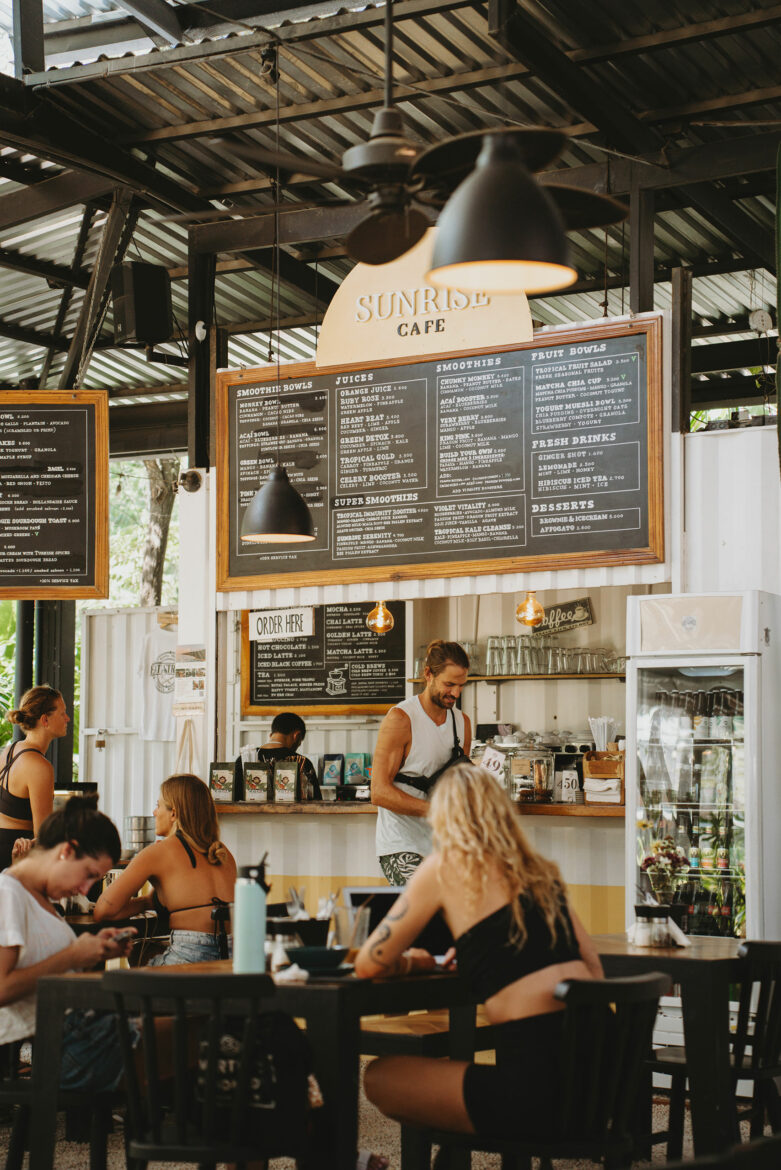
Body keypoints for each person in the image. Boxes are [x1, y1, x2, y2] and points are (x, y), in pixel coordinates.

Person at [355, 762, 604, 1140]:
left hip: (537, 1095)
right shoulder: (541, 872)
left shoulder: (443, 866)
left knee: (379, 1076)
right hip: (600, 1082)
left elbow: (367, 963)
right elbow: (594, 971)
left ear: (442, 817)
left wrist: (412, 962)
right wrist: (478, 951)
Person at [0, 796, 136, 1091]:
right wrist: (73, 956)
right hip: (62, 1045)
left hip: (77, 1031)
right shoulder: (8, 894)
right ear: (67, 850)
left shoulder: (41, 899)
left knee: (190, 1029)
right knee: (193, 1035)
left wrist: (92, 951)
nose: (86, 889)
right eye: (89, 875)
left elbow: (55, 974)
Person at [94, 773, 237, 964]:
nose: (154, 812)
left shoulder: (158, 852)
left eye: (158, 805)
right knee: (141, 952)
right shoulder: (221, 852)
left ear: (174, 813)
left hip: (190, 956)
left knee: (134, 958)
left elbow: (103, 911)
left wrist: (146, 902)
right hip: (232, 957)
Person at [371, 641, 471, 884]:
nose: (456, 693)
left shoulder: (462, 722)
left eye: (461, 685)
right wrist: (436, 812)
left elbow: (458, 784)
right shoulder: (401, 719)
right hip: (401, 845)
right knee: (426, 913)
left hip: (443, 846)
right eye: (449, 684)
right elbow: (379, 792)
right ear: (428, 674)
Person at [0, 686, 70, 872]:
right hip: (14, 856)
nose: (67, 719)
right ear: (45, 720)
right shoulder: (39, 766)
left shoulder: (9, 751)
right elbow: (42, 837)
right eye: (62, 713)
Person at [236, 712, 321, 801]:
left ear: (271, 735)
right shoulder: (302, 762)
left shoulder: (243, 759)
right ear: (296, 736)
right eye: (299, 743)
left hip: (247, 814)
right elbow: (317, 802)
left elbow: (234, 799)